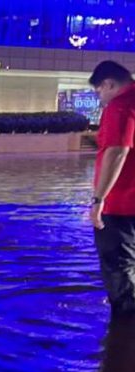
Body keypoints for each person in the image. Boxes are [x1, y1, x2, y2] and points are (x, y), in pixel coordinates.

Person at [88, 60, 135, 315]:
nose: (101, 99)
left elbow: (117, 151)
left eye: (99, 92)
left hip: (122, 203)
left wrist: (98, 200)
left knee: (119, 268)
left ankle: (124, 340)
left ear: (109, 83)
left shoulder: (120, 107)